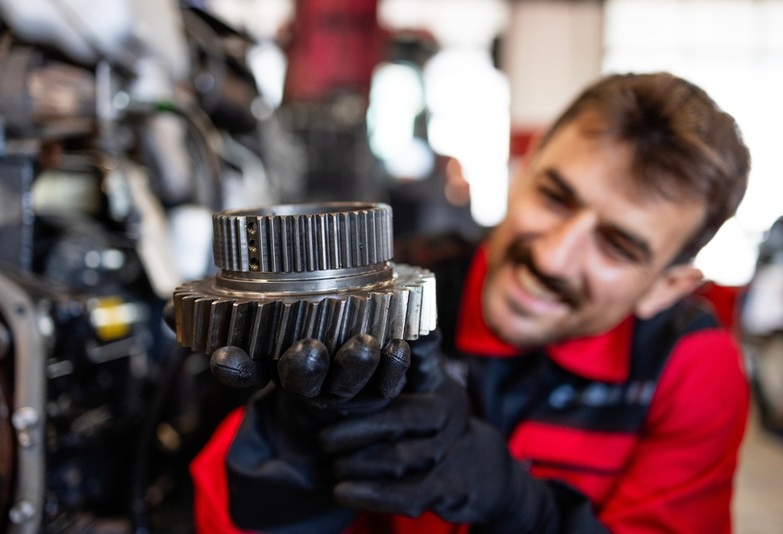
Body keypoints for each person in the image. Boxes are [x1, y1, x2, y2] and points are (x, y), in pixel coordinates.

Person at [189, 72, 751, 533]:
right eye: (554, 197)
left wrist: (521, 509)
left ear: (666, 286)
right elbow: (213, 517)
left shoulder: (689, 367)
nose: (552, 257)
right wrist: (293, 448)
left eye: (617, 246)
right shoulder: (379, 299)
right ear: (522, 173)